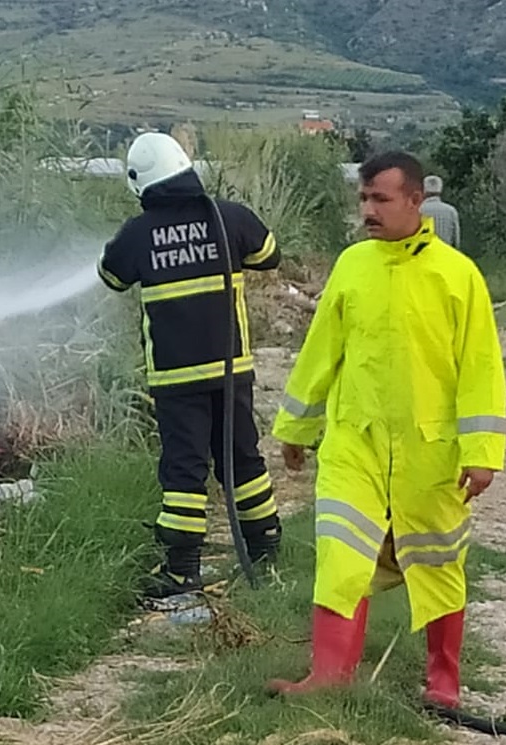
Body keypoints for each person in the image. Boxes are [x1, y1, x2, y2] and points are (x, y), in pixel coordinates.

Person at [266, 151, 506, 709]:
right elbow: (321, 350)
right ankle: (329, 676)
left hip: (431, 451)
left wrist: (482, 452)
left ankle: (443, 684)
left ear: (415, 201)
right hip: (356, 444)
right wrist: (297, 428)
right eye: (363, 199)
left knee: (439, 562)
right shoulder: (352, 265)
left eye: (380, 199)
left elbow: (480, 369)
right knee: (340, 552)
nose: (368, 210)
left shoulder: (457, 275)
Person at [97, 131, 285, 599]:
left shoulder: (138, 233)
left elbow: (111, 276)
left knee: (184, 472)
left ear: (140, 182)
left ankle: (182, 570)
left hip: (176, 380)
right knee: (243, 458)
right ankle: (266, 544)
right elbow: (269, 254)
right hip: (231, 370)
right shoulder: (229, 217)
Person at [420, 174, 461, 248]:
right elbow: (456, 241)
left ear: (423, 190)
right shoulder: (451, 211)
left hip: (424, 255)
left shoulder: (418, 211)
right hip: (445, 254)